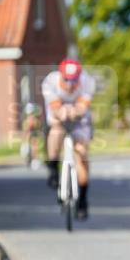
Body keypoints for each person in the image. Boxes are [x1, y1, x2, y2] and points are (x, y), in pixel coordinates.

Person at [42, 59, 96, 220]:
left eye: (74, 80)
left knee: (81, 153)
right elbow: (55, 108)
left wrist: (75, 111)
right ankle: (53, 167)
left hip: (80, 119)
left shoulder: (87, 82)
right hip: (59, 114)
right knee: (56, 131)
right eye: (66, 80)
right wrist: (63, 112)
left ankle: (83, 200)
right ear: (61, 76)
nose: (70, 84)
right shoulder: (50, 82)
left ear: (79, 77)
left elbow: (82, 106)